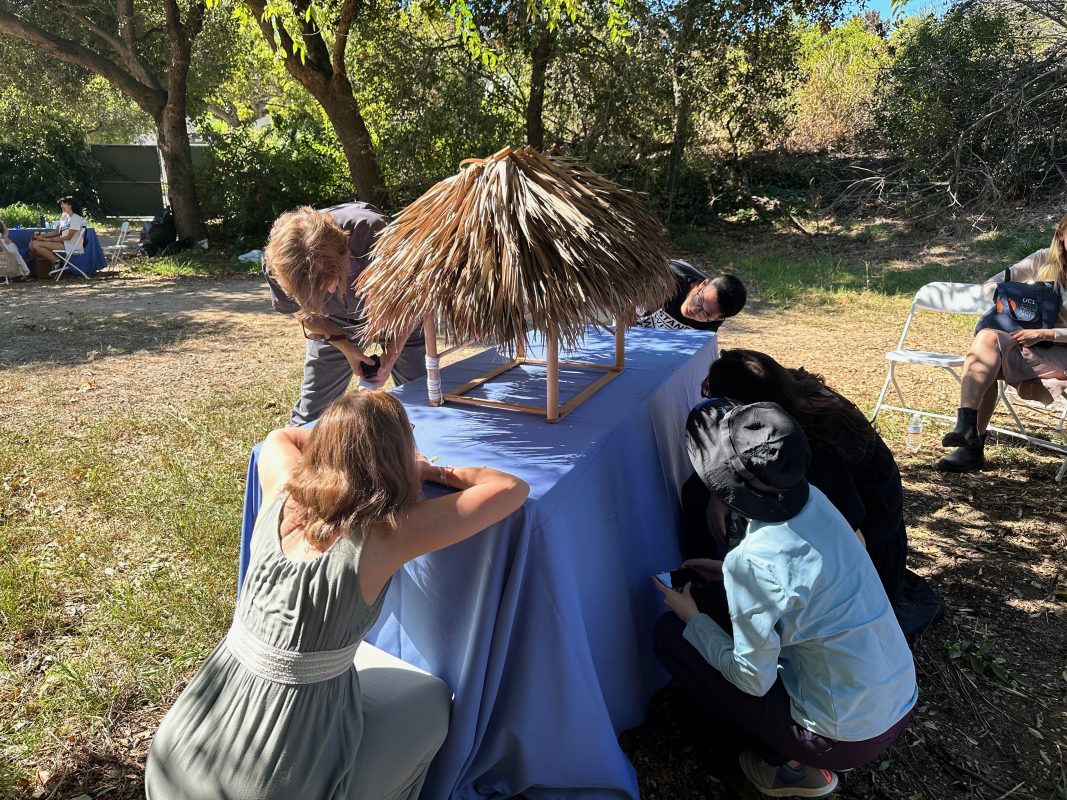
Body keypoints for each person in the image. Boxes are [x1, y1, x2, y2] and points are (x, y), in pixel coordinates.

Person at [145, 390, 530, 800]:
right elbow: (511, 488)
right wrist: (433, 472)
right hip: (269, 782)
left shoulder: (282, 488)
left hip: (180, 748)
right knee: (433, 703)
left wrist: (339, 449)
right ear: (398, 453)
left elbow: (282, 436)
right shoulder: (387, 533)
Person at [654, 401, 917, 798]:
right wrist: (729, 574)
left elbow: (752, 679)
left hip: (842, 737)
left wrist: (693, 619)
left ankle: (789, 765)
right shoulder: (817, 501)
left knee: (671, 635)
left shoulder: (752, 560)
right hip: (897, 699)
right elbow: (803, 583)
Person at [696, 349, 943, 634]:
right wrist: (719, 497)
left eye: (714, 395)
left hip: (866, 546)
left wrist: (757, 581)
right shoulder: (785, 392)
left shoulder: (812, 451)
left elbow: (850, 542)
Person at [264, 203, 426, 426]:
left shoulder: (372, 232)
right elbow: (301, 312)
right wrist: (344, 346)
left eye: (334, 279)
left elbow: (414, 298)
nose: (331, 291)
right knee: (313, 412)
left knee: (421, 395)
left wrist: (391, 355)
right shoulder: (277, 263)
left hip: (395, 311)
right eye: (320, 291)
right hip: (335, 322)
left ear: (345, 249)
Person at [937, 213, 1067, 472]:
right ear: (1061, 234)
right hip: (1029, 342)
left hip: (1059, 347)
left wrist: (1048, 334)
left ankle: (971, 445)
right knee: (987, 340)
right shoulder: (1043, 259)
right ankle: (966, 427)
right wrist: (1012, 301)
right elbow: (992, 284)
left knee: (989, 366)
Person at [635, 259, 747, 331]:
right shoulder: (668, 279)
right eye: (700, 300)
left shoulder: (716, 314)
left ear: (718, 318)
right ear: (703, 284)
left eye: (705, 314)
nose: (695, 310)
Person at [28, 197, 85, 268]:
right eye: (61, 203)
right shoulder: (64, 216)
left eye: (63, 204)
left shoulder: (76, 219)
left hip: (70, 245)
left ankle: (56, 261)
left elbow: (68, 237)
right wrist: (43, 236)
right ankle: (55, 262)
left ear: (70, 206)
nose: (61, 206)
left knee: (36, 245)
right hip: (62, 243)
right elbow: (56, 232)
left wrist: (48, 240)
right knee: (31, 245)